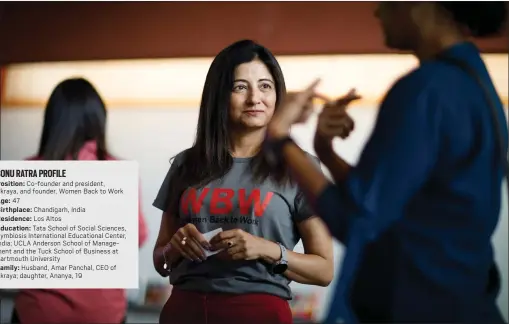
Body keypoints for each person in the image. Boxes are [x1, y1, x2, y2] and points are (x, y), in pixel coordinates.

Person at [264, 2, 508, 323]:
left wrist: (281, 139)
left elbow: (353, 219)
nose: (378, 12)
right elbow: (390, 202)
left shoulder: (425, 89)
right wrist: (325, 151)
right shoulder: (474, 84)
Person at [152, 39, 334, 324]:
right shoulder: (186, 165)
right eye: (240, 87)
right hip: (184, 311)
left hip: (259, 313)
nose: (254, 99)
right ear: (219, 95)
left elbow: (324, 270)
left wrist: (266, 249)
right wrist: (175, 248)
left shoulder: (299, 166)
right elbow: (160, 261)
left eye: (265, 86)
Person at [13, 78, 149, 324]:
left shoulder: (28, 170)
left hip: (39, 312)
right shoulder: (118, 171)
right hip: (103, 314)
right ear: (98, 121)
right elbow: (137, 237)